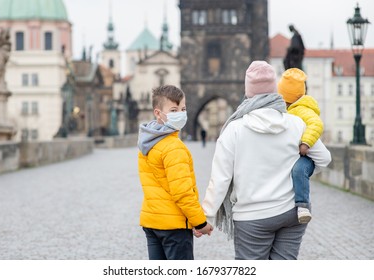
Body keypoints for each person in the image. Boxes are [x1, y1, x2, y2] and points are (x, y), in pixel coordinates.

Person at [200, 61, 331, 260]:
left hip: (252, 218)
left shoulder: (234, 129)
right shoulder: (296, 123)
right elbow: (323, 158)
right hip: (291, 212)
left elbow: (220, 179)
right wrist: (300, 170)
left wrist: (206, 216)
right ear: (274, 91)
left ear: (248, 92)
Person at [137, 85, 213, 260]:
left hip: (152, 221)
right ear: (158, 113)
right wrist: (199, 222)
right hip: (174, 226)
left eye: (183, 109)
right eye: (173, 110)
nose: (180, 113)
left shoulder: (146, 142)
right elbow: (183, 193)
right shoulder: (173, 147)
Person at [278, 68, 323, 224]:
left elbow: (316, 124)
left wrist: (306, 142)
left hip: (307, 155)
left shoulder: (302, 110)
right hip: (301, 154)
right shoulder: (291, 110)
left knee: (298, 170)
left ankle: (303, 206)